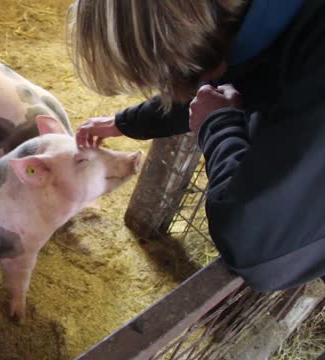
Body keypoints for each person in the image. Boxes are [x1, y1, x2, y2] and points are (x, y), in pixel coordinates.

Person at [69, 0, 325, 293]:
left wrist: (217, 124)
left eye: (168, 74)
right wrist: (124, 123)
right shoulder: (269, 26)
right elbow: (223, 81)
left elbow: (257, 245)